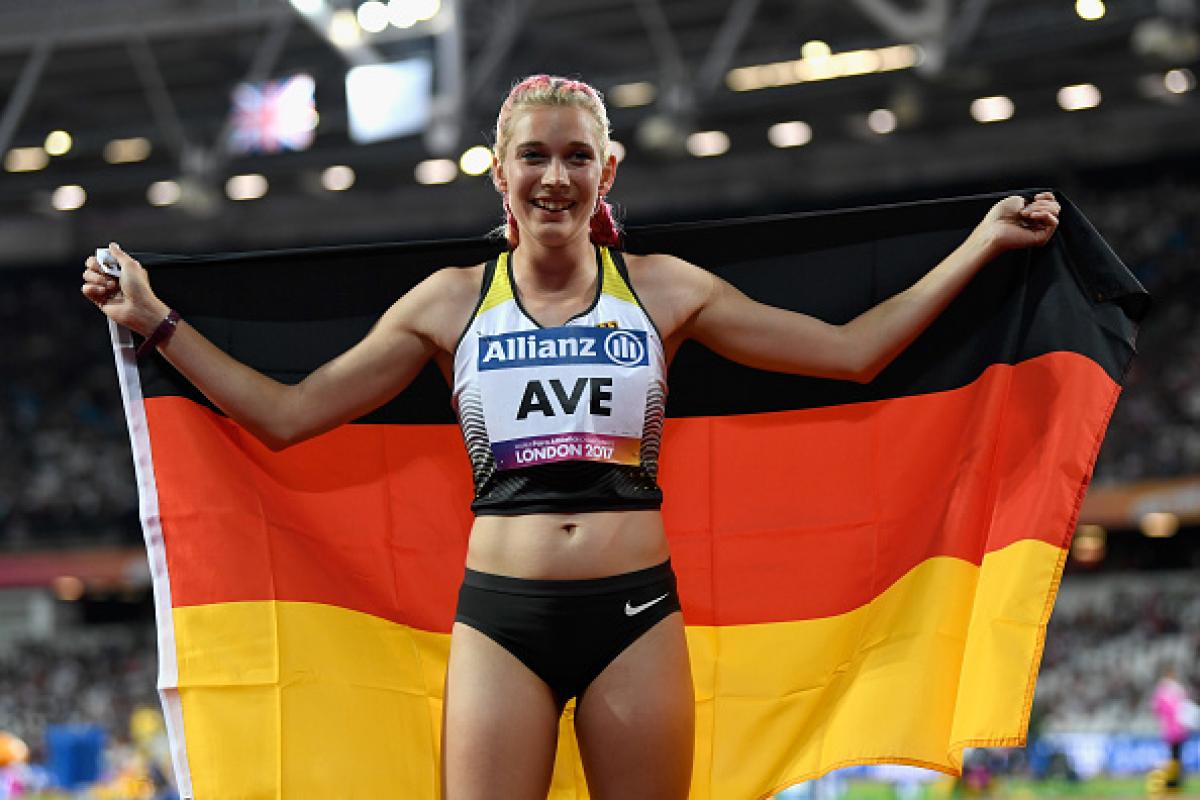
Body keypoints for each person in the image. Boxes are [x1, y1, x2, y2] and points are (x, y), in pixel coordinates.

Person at [81, 74, 1061, 800]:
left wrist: (978, 245)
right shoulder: (447, 303)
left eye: (576, 155)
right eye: (536, 155)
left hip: (635, 613)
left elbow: (852, 354)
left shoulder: (665, 288)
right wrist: (157, 322)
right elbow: (288, 416)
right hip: (498, 618)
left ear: (607, 171)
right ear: (500, 170)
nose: (556, 176)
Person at [1153, 664, 1195, 792]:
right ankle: (1174, 782)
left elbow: (1158, 709)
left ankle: (1173, 782)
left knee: (1175, 757)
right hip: (1177, 730)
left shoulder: (1167, 690)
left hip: (1174, 730)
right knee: (1175, 757)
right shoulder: (1175, 690)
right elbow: (1183, 708)